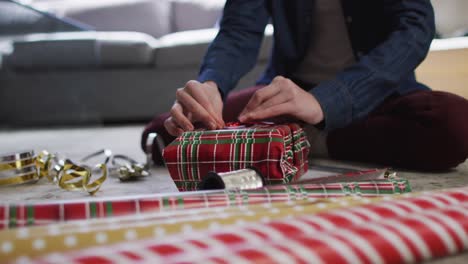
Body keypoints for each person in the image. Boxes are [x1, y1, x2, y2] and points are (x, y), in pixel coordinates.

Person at [142, 0, 468, 171]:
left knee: (455, 126)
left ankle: (299, 139)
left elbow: (415, 28)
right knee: (169, 131)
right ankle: (292, 137)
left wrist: (327, 103)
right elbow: (240, 29)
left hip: (375, 93)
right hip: (285, 97)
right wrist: (212, 84)